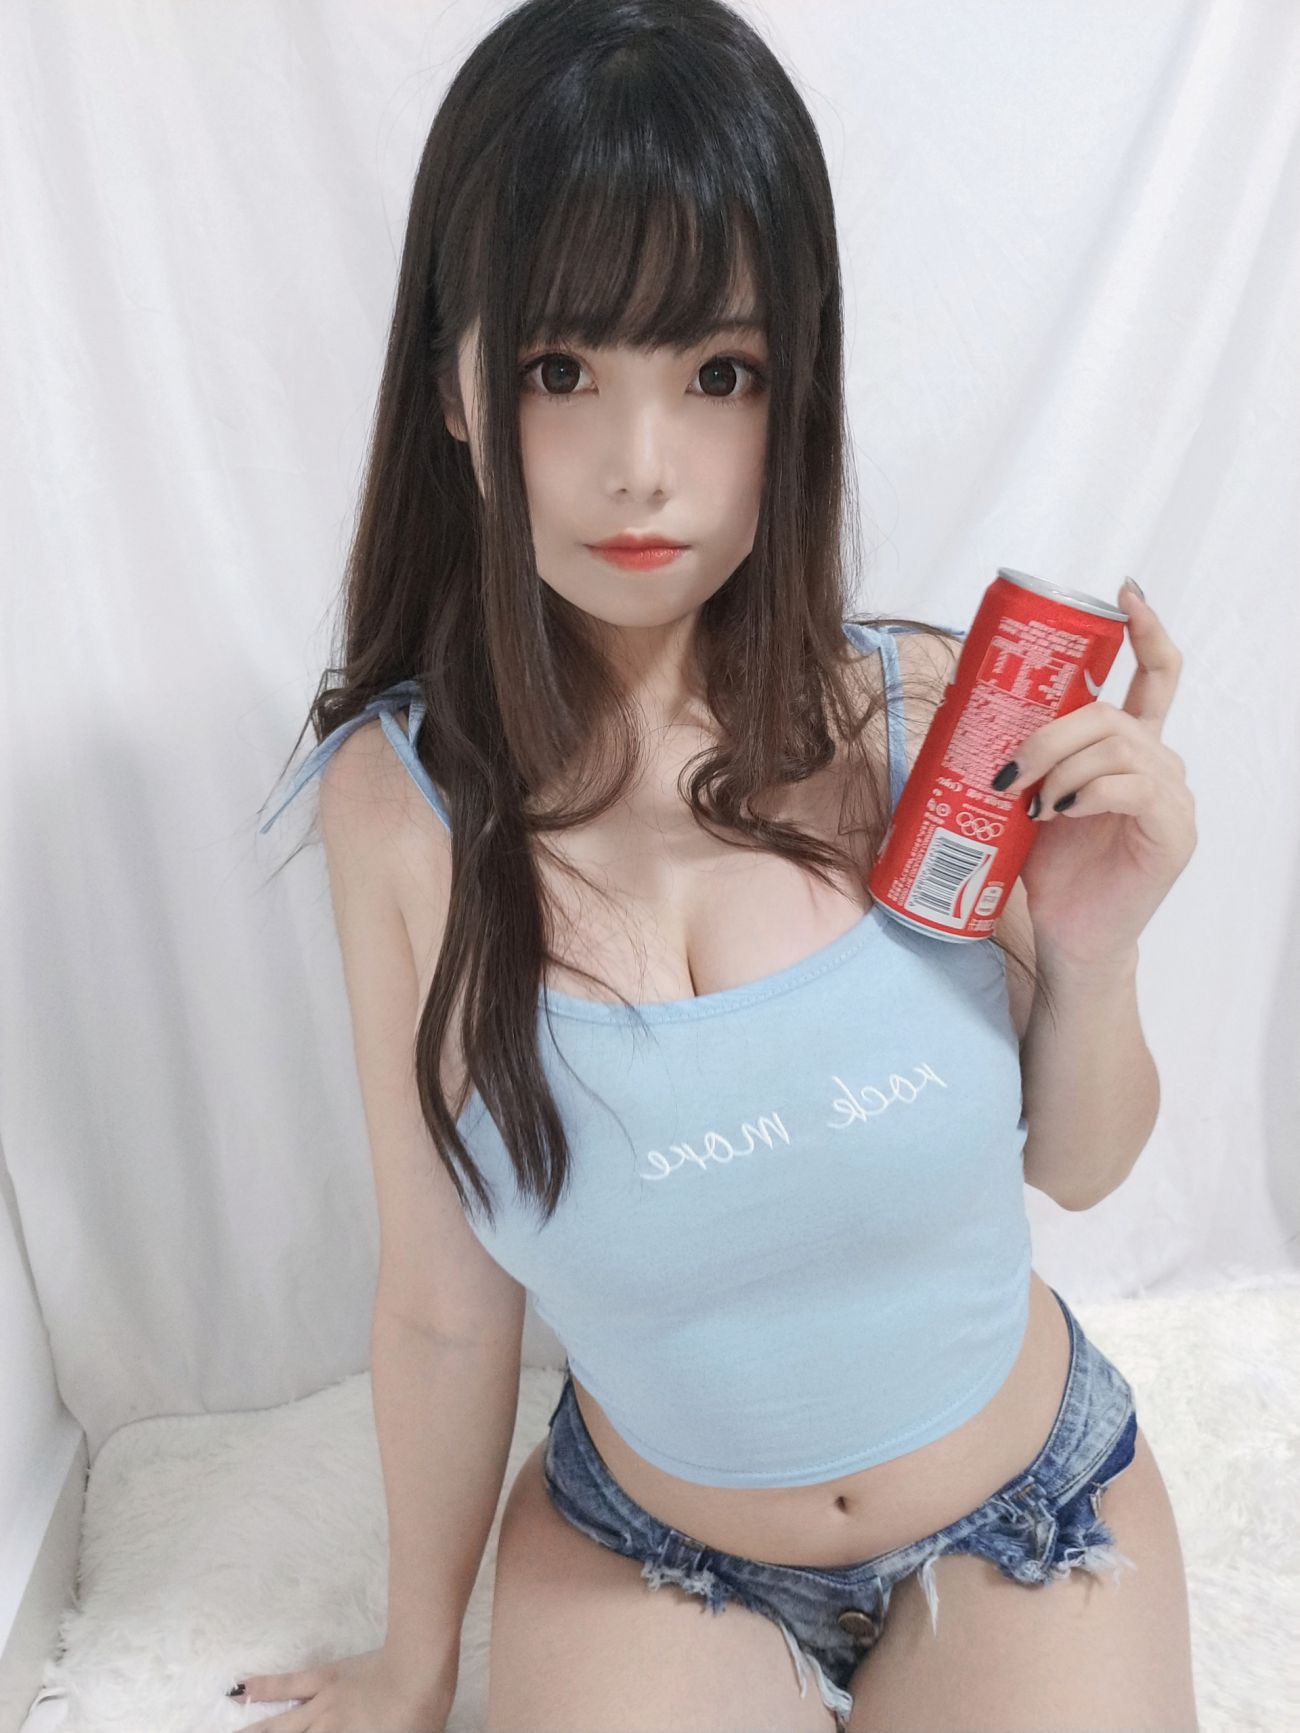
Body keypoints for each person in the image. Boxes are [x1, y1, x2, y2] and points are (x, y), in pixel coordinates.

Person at [240, 1, 1200, 1728]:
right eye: (560, 371)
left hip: (1025, 1519)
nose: (641, 468)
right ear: (455, 388)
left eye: (718, 374)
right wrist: (413, 1662)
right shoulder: (400, 810)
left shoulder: (928, 717)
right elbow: (445, 1305)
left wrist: (1097, 949)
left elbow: (1081, 1163)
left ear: (792, 390)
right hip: (648, 1561)